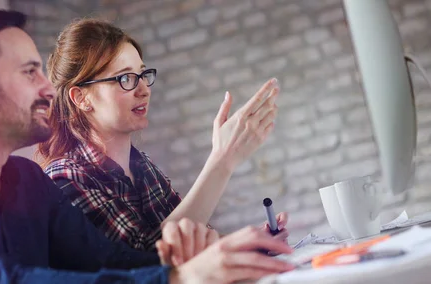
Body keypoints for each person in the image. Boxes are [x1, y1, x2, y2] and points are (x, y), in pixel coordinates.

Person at [0, 8, 294, 284]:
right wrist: (181, 281)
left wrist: (223, 257)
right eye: (30, 72)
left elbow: (111, 262)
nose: (50, 89)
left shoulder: (25, 180)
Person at [39, 18, 287, 254]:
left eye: (142, 75)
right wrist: (222, 161)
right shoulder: (65, 179)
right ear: (81, 98)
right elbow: (146, 259)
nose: (144, 90)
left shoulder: (143, 167)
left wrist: (256, 243)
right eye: (125, 78)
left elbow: (196, 239)